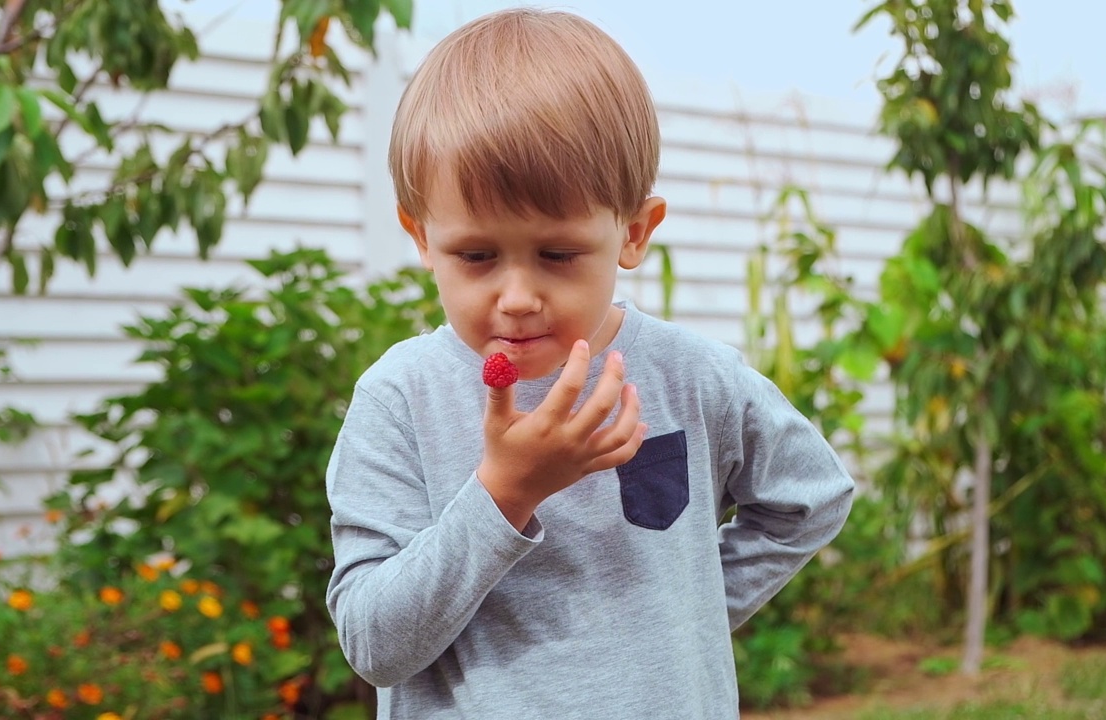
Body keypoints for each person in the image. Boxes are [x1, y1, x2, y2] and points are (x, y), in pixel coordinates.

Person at [324, 8, 855, 719]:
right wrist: (504, 493)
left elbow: (809, 498)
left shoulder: (690, 377)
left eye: (558, 254)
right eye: (476, 256)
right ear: (420, 236)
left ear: (633, 232)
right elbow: (374, 642)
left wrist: (676, 628)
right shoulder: (401, 397)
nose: (517, 298)